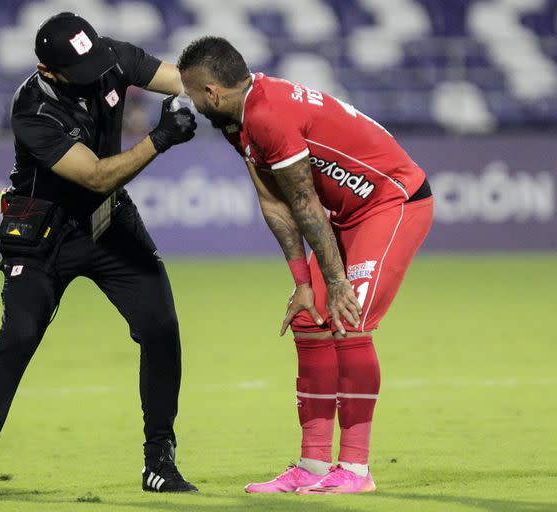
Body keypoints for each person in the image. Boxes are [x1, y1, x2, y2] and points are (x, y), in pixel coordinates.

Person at [0, 12, 199, 499]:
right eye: (78, 73)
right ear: (48, 71)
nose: (94, 76)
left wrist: (231, 90)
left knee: (161, 327)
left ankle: (159, 461)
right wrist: (160, 137)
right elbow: (97, 175)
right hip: (43, 231)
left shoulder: (108, 56)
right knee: (19, 337)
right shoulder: (32, 108)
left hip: (107, 221)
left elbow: (184, 80)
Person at [178, 37, 433, 495]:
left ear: (212, 92)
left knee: (347, 318)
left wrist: (335, 283)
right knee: (307, 318)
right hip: (344, 213)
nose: (191, 103)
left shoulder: (267, 115)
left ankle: (355, 470)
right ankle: (313, 465)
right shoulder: (238, 122)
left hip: (390, 200)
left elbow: (305, 202)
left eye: (193, 94)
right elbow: (274, 202)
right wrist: (302, 283)